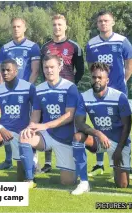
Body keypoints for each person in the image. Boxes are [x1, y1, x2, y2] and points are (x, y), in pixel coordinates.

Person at [85, 11, 132, 177]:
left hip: (118, 91)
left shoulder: (122, 41)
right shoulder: (91, 44)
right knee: (99, 124)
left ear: (113, 22)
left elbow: (130, 65)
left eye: (106, 20)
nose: (103, 23)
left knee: (121, 125)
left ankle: (127, 161)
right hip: (99, 93)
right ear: (97, 24)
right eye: (100, 21)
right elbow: (92, 67)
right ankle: (99, 164)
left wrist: (122, 82)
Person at [71, 62, 132, 195]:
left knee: (122, 185)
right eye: (94, 77)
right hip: (99, 140)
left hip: (119, 143)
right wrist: (98, 133)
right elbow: (79, 123)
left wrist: (119, 149)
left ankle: (118, 167)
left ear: (107, 80)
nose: (96, 80)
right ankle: (84, 182)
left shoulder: (119, 97)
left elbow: (127, 126)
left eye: (100, 78)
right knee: (78, 137)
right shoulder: (84, 96)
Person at [19, 55, 79, 188]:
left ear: (60, 67)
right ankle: (30, 179)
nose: (49, 70)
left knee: (68, 182)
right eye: (46, 67)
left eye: (52, 67)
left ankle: (75, 166)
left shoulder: (70, 87)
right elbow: (36, 114)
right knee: (24, 137)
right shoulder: (39, 89)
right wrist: (31, 127)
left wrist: (44, 125)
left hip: (65, 138)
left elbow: (69, 115)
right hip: (47, 135)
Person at [0, 59, 36, 181]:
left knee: (21, 178)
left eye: (8, 70)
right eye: (3, 70)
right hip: (3, 131)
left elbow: (37, 110)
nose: (5, 72)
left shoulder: (28, 87)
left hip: (21, 133)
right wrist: (1, 129)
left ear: (15, 71)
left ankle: (32, 160)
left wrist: (31, 129)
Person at [39, 14, 84, 173]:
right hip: (50, 91)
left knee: (71, 123)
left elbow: (80, 69)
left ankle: (74, 158)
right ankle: (48, 162)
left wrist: (72, 84)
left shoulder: (74, 46)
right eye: (54, 24)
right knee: (47, 121)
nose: (57, 27)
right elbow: (41, 69)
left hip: (68, 91)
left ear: (65, 27)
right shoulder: (45, 47)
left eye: (60, 24)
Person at [0, 17, 41, 170]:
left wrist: (26, 88)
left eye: (19, 26)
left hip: (25, 93)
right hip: (7, 93)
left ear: (25, 28)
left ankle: (33, 158)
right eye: (14, 26)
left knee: (27, 124)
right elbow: (1, 71)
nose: (16, 29)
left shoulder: (33, 47)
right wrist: (1, 88)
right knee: (5, 122)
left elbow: (35, 70)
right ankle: (8, 160)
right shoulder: (5, 48)